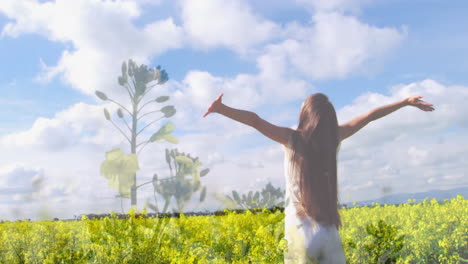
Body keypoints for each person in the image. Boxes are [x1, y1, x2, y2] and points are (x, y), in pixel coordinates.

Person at [202, 93, 434, 263]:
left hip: (298, 231)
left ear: (305, 115)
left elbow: (255, 120)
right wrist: (404, 102)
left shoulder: (291, 138)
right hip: (326, 230)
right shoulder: (335, 137)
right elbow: (370, 116)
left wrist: (222, 109)